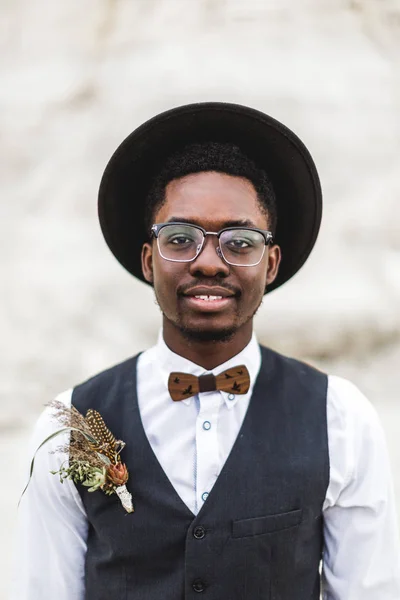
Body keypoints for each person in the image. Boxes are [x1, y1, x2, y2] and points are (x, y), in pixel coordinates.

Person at [12, 102, 400, 599]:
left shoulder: (340, 419)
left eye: (239, 242)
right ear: (149, 260)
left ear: (271, 263)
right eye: (181, 238)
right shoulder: (73, 425)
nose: (211, 263)